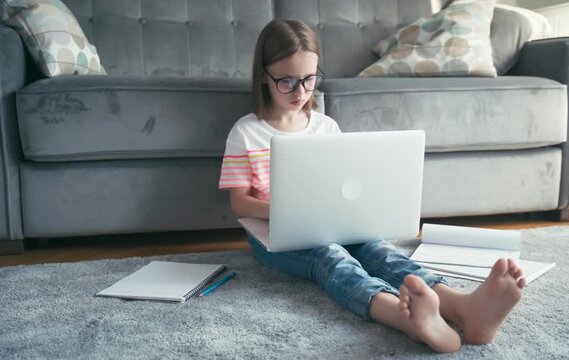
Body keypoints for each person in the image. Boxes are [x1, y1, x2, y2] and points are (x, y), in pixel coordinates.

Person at [219, 18, 526, 353]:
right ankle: (404, 317)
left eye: (308, 80)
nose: (300, 92)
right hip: (276, 236)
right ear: (264, 76)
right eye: (287, 82)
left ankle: (462, 307)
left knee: (378, 249)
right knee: (330, 256)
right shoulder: (246, 132)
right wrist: (285, 212)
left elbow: (342, 187)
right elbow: (239, 203)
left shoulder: (325, 127)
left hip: (332, 222)